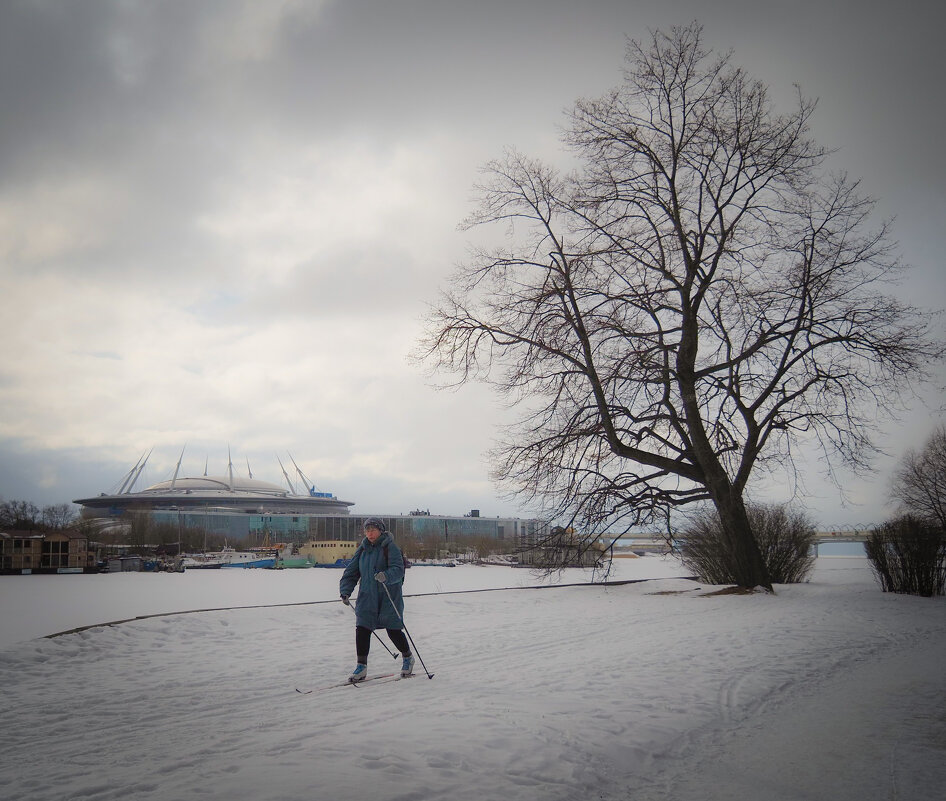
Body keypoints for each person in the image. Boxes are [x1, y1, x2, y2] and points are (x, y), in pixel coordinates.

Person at [339, 517, 415, 682]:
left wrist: (386, 576)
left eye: (373, 530)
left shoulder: (390, 547)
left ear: (380, 530)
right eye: (367, 530)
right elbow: (351, 572)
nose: (370, 533)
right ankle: (361, 666)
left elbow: (398, 570)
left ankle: (408, 657)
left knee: (393, 630)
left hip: (388, 597)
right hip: (367, 597)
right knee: (362, 629)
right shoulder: (363, 549)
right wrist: (345, 591)